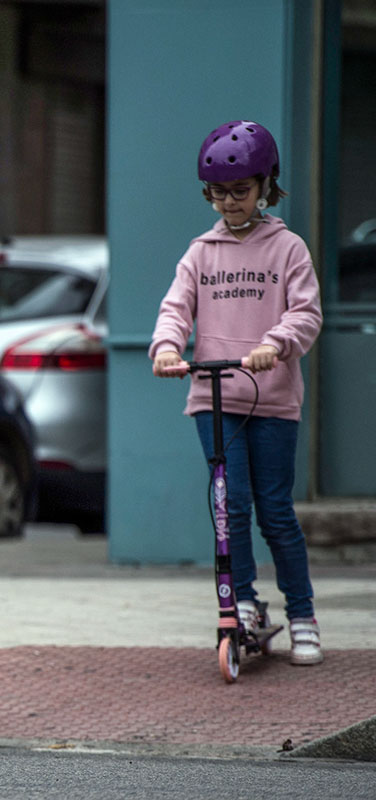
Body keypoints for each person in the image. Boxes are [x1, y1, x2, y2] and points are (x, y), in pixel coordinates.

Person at [151, 120, 323, 665]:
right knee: (231, 507)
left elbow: (307, 313)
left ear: (266, 185)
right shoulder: (201, 253)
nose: (229, 202)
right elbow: (176, 308)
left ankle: (302, 614)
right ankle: (242, 603)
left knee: (275, 511)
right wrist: (167, 347)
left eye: (241, 190)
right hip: (214, 398)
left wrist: (276, 342)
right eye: (219, 192)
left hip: (272, 399)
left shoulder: (288, 248)